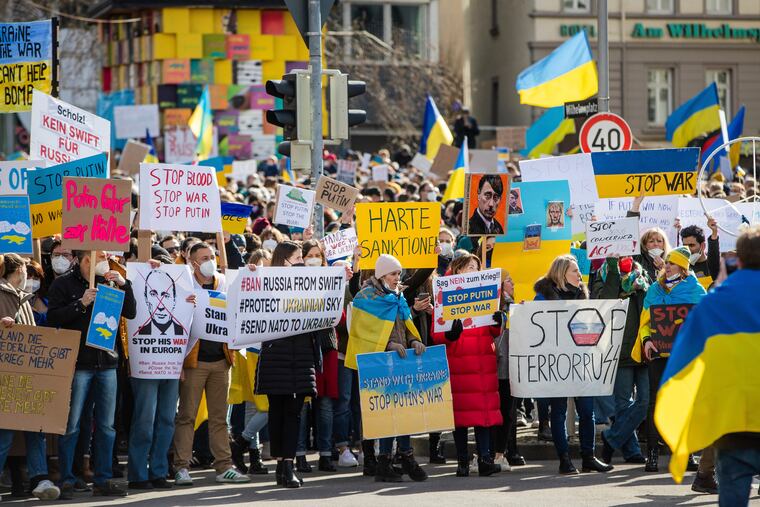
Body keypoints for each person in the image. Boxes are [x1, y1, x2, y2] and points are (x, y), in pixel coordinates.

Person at [655, 226, 760, 507]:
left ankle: (704, 476)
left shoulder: (713, 302)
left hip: (731, 419)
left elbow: (681, 363)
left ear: (738, 260)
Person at [47, 251, 137, 498]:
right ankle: (67, 479)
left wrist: (124, 284)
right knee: (72, 425)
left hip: (107, 364)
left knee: (107, 427)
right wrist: (81, 304)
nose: (106, 261)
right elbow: (52, 317)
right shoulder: (63, 284)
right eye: (101, 257)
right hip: (78, 365)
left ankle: (103, 479)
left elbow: (130, 312)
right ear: (87, 259)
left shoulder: (109, 281)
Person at [253, 241, 331, 488]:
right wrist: (252, 278)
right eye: (297, 257)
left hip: (301, 357)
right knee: (277, 413)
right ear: (284, 260)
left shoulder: (310, 282)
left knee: (294, 413)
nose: (302, 261)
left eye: (301, 257)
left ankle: (288, 464)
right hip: (277, 357)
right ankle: (281, 465)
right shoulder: (267, 282)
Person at [173, 242, 249, 486]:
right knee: (187, 416)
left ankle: (224, 466)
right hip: (194, 363)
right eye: (204, 257)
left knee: (219, 418)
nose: (210, 261)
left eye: (212, 256)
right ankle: (181, 466)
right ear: (193, 262)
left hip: (221, 362)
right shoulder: (184, 286)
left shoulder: (223, 283)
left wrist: (253, 272)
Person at [533, 254, 614, 475]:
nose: (579, 275)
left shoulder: (582, 294)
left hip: (581, 363)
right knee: (558, 412)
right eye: (575, 271)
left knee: (587, 412)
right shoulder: (543, 298)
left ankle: (589, 457)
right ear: (561, 274)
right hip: (558, 363)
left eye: (579, 271)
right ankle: (565, 460)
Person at [353, 254, 428, 483]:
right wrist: (388, 345)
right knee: (387, 412)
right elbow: (362, 331)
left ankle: (405, 455)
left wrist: (413, 340)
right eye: (394, 273)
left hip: (401, 360)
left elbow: (405, 323)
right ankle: (383, 462)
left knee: (404, 409)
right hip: (380, 362)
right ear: (382, 274)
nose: (399, 277)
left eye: (399, 273)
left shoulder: (398, 296)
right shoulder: (365, 297)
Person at [631, 246, 707, 473]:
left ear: (683, 269)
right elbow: (645, 323)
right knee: (655, 402)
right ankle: (652, 454)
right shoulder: (654, 290)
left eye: (673, 263)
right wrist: (647, 341)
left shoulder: (696, 290)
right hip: (658, 354)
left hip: (685, 356)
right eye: (668, 262)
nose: (667, 266)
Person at [431, 253, 502, 477]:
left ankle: (485, 459)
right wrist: (450, 335)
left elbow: (492, 330)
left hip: (482, 361)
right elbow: (437, 335)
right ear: (459, 270)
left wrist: (498, 322)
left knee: (484, 417)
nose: (473, 270)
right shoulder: (445, 294)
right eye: (469, 266)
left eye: (476, 267)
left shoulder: (485, 293)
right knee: (460, 417)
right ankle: (462, 461)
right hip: (459, 362)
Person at [128, 257, 195, 491]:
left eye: (166, 295)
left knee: (167, 420)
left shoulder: (184, 310)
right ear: (145, 297)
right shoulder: (139, 324)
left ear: (174, 299)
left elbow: (193, 334)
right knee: (144, 420)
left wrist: (193, 307)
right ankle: (137, 473)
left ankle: (158, 471)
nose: (160, 302)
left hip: (172, 367)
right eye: (154, 295)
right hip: (145, 366)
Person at [0, 254, 60, 500]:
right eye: (26, 269)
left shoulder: (24, 299)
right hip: (6, 377)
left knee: (36, 430)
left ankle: (40, 478)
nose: (29, 276)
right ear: (18, 271)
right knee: (4, 433)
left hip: (27, 376)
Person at [592, 255, 650, 465]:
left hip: (642, 347)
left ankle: (611, 438)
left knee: (645, 401)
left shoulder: (642, 276)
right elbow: (605, 301)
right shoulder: (604, 275)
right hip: (618, 350)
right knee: (622, 404)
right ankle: (632, 450)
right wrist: (613, 269)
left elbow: (649, 307)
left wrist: (639, 287)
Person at [492, 272, 526, 468]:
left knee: (510, 410)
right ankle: (497, 451)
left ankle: (509, 450)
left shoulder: (516, 303)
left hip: (514, 361)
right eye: (508, 279)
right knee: (502, 409)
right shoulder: (495, 305)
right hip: (499, 363)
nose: (513, 283)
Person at [679, 222, 720, 289]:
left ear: (702, 246)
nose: (688, 249)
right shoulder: (682, 268)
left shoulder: (715, 265)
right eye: (685, 246)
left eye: (691, 245)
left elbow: (714, 254)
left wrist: (714, 232)